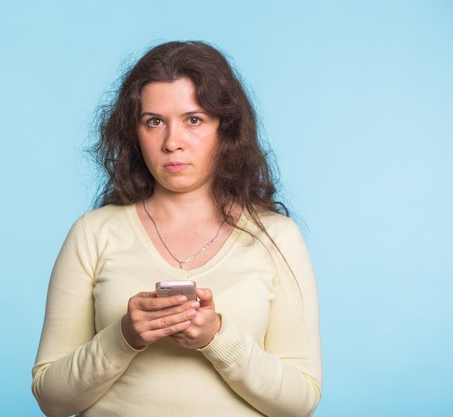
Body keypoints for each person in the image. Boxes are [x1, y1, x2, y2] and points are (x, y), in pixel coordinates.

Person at [31, 40, 322, 417]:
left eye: (194, 120)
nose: (172, 143)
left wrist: (217, 336)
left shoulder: (277, 238)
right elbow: (51, 401)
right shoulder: (93, 233)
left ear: (226, 129)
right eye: (154, 122)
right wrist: (124, 337)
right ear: (133, 133)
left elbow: (300, 402)